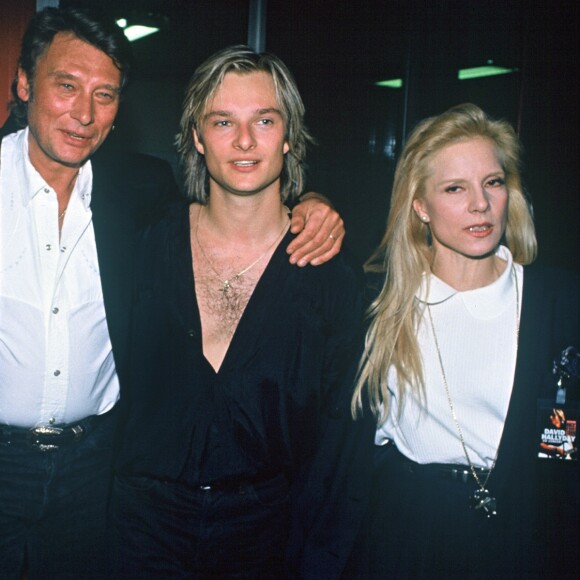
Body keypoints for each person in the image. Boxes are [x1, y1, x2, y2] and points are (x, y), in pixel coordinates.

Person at [0, 8, 345, 579]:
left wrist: (315, 206)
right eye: (66, 86)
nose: (84, 113)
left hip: (96, 478)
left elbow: (243, 198)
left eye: (104, 95)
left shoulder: (137, 193)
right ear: (23, 84)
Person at [111, 45, 362, 577]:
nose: (245, 141)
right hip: (137, 536)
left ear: (289, 135)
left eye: (264, 121)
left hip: (269, 541)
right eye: (223, 121)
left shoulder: (329, 275)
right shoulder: (141, 243)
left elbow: (342, 447)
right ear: (198, 138)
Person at [349, 103, 579, 578]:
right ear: (420, 206)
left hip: (523, 534)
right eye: (455, 188)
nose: (480, 204)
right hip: (404, 534)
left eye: (493, 183)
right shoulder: (379, 302)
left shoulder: (557, 302)